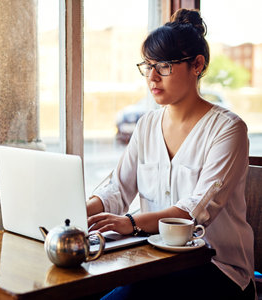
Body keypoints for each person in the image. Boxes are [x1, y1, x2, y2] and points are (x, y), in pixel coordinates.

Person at [87, 8, 255, 300]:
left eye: (164, 65)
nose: (152, 77)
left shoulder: (229, 129)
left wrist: (132, 222)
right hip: (153, 259)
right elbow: (118, 187)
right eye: (147, 65)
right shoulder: (147, 124)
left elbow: (197, 209)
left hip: (216, 267)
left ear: (197, 65)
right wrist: (77, 210)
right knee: (75, 287)